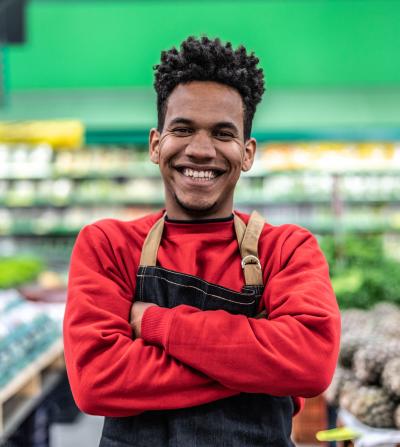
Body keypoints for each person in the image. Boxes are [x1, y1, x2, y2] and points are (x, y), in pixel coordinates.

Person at [63, 36, 341, 447]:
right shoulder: (107, 244)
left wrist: (156, 324)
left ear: (247, 153)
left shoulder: (286, 249)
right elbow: (96, 381)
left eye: (223, 133)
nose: (200, 150)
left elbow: (311, 364)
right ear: (156, 144)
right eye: (183, 129)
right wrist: (259, 364)